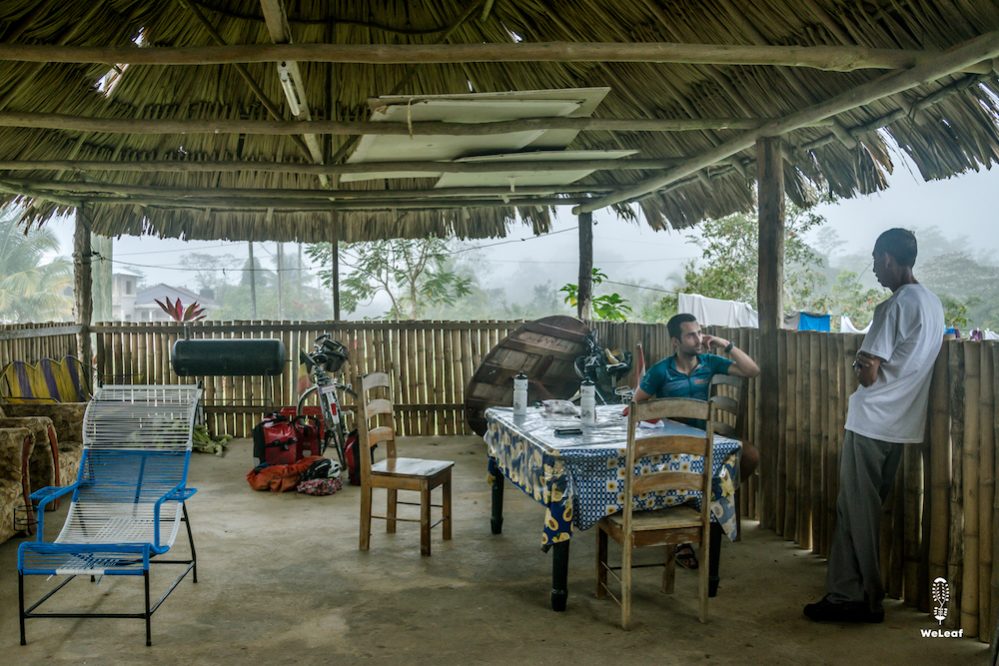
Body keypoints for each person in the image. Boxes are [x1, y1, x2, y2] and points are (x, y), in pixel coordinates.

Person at [804, 228, 943, 624]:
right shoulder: (933, 305)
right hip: (902, 425)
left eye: (875, 260)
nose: (874, 269)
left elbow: (868, 372)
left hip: (871, 423)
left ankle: (861, 598)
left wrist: (858, 361)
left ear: (887, 258)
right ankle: (848, 592)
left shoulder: (894, 306)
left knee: (856, 511)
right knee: (859, 510)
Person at [633, 312, 761, 568]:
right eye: (691, 334)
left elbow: (752, 370)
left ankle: (716, 502)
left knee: (750, 456)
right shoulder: (660, 371)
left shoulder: (709, 362)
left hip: (708, 435)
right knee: (675, 472)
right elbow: (637, 403)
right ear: (675, 342)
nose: (698, 338)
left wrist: (726, 344)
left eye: (699, 332)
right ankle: (680, 538)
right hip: (673, 442)